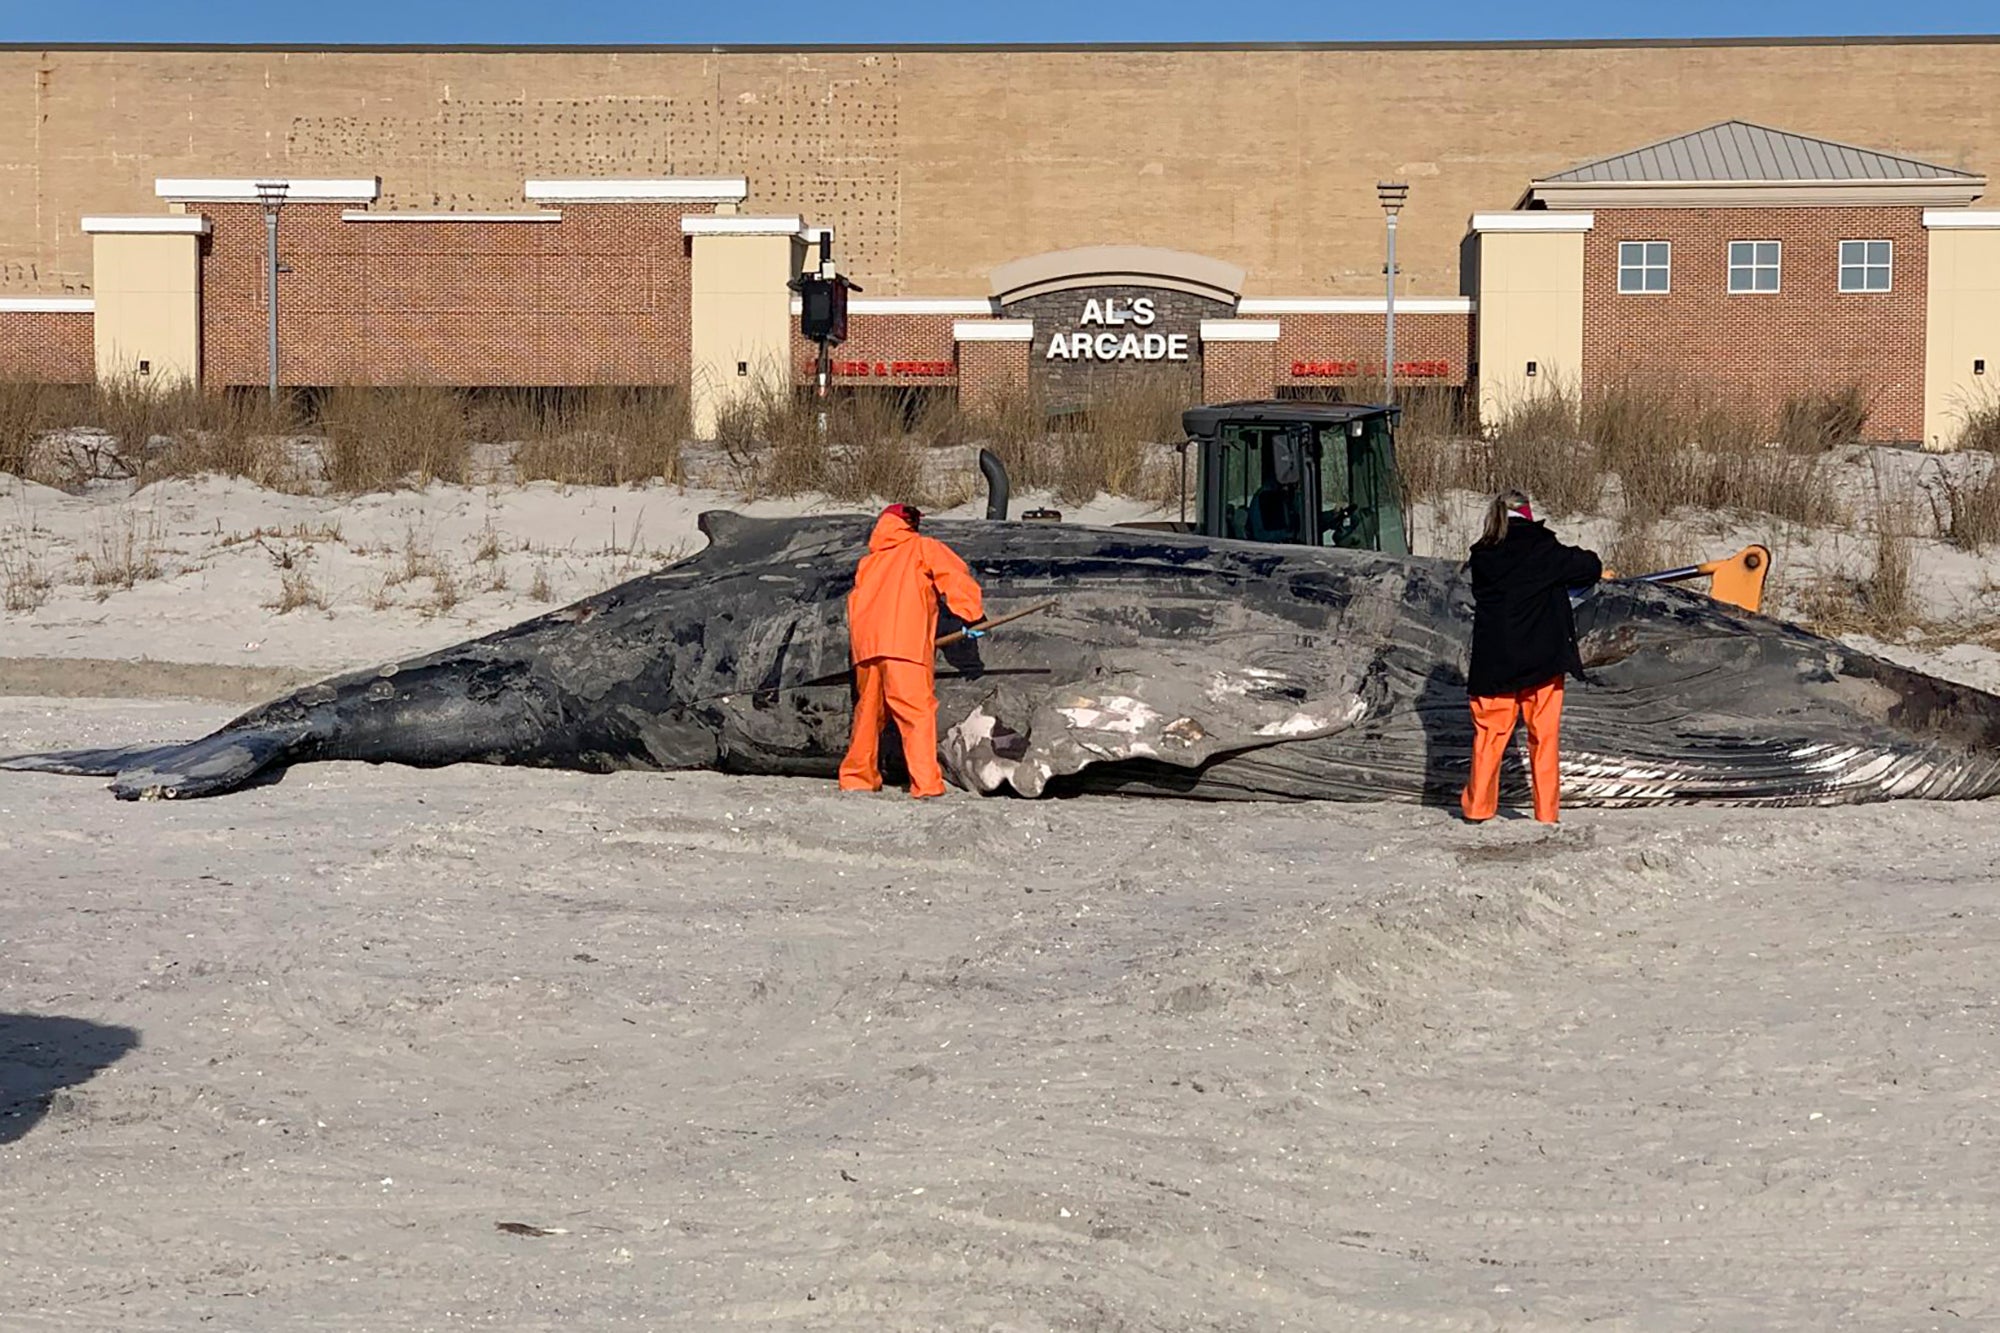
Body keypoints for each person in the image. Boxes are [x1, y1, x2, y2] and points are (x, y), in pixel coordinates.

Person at [1461, 489, 1602, 825]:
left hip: (1493, 662)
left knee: (1489, 738)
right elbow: (1589, 566)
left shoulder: (1482, 555)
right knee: (1544, 739)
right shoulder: (1542, 548)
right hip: (1542, 660)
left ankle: (1479, 808)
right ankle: (1546, 813)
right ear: (1528, 512)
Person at [838, 503, 986, 799]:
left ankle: (857, 778)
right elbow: (953, 576)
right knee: (916, 714)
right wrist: (972, 614)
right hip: (905, 645)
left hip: (866, 649)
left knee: (867, 715)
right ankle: (927, 785)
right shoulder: (923, 548)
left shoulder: (870, 561)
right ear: (910, 525)